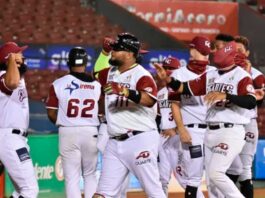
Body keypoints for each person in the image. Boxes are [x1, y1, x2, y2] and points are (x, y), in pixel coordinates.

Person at [155, 41, 257, 198]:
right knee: (212, 181)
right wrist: (168, 80)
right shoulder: (210, 75)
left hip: (230, 130)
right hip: (211, 131)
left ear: (230, 57)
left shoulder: (241, 76)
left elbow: (250, 102)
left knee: (216, 173)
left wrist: (227, 95)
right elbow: (185, 88)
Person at [93, 32, 166, 198]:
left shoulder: (142, 75)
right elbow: (96, 73)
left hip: (140, 139)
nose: (113, 52)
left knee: (154, 192)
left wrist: (126, 91)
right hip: (114, 142)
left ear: (129, 53)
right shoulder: (110, 72)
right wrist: (103, 53)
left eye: (116, 49)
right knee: (102, 194)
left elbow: (149, 100)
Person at [46, 47, 101, 198]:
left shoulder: (58, 83)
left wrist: (64, 122)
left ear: (68, 62)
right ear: (85, 62)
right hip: (90, 131)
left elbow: (51, 112)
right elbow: (102, 111)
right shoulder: (97, 85)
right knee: (90, 174)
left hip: (67, 131)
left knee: (71, 178)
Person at [226, 36, 265, 198]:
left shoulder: (257, 75)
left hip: (248, 123)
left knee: (245, 169)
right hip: (228, 123)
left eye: (241, 50)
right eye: (235, 50)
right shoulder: (226, 72)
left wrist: (247, 74)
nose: (238, 53)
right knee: (227, 168)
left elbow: (260, 101)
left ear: (247, 53)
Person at [0, 42, 39, 198]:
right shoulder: (4, 76)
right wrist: (11, 61)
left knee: (19, 192)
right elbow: (11, 83)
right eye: (19, 54)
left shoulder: (16, 76)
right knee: (30, 190)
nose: (23, 56)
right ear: (9, 58)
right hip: (9, 137)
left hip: (16, 138)